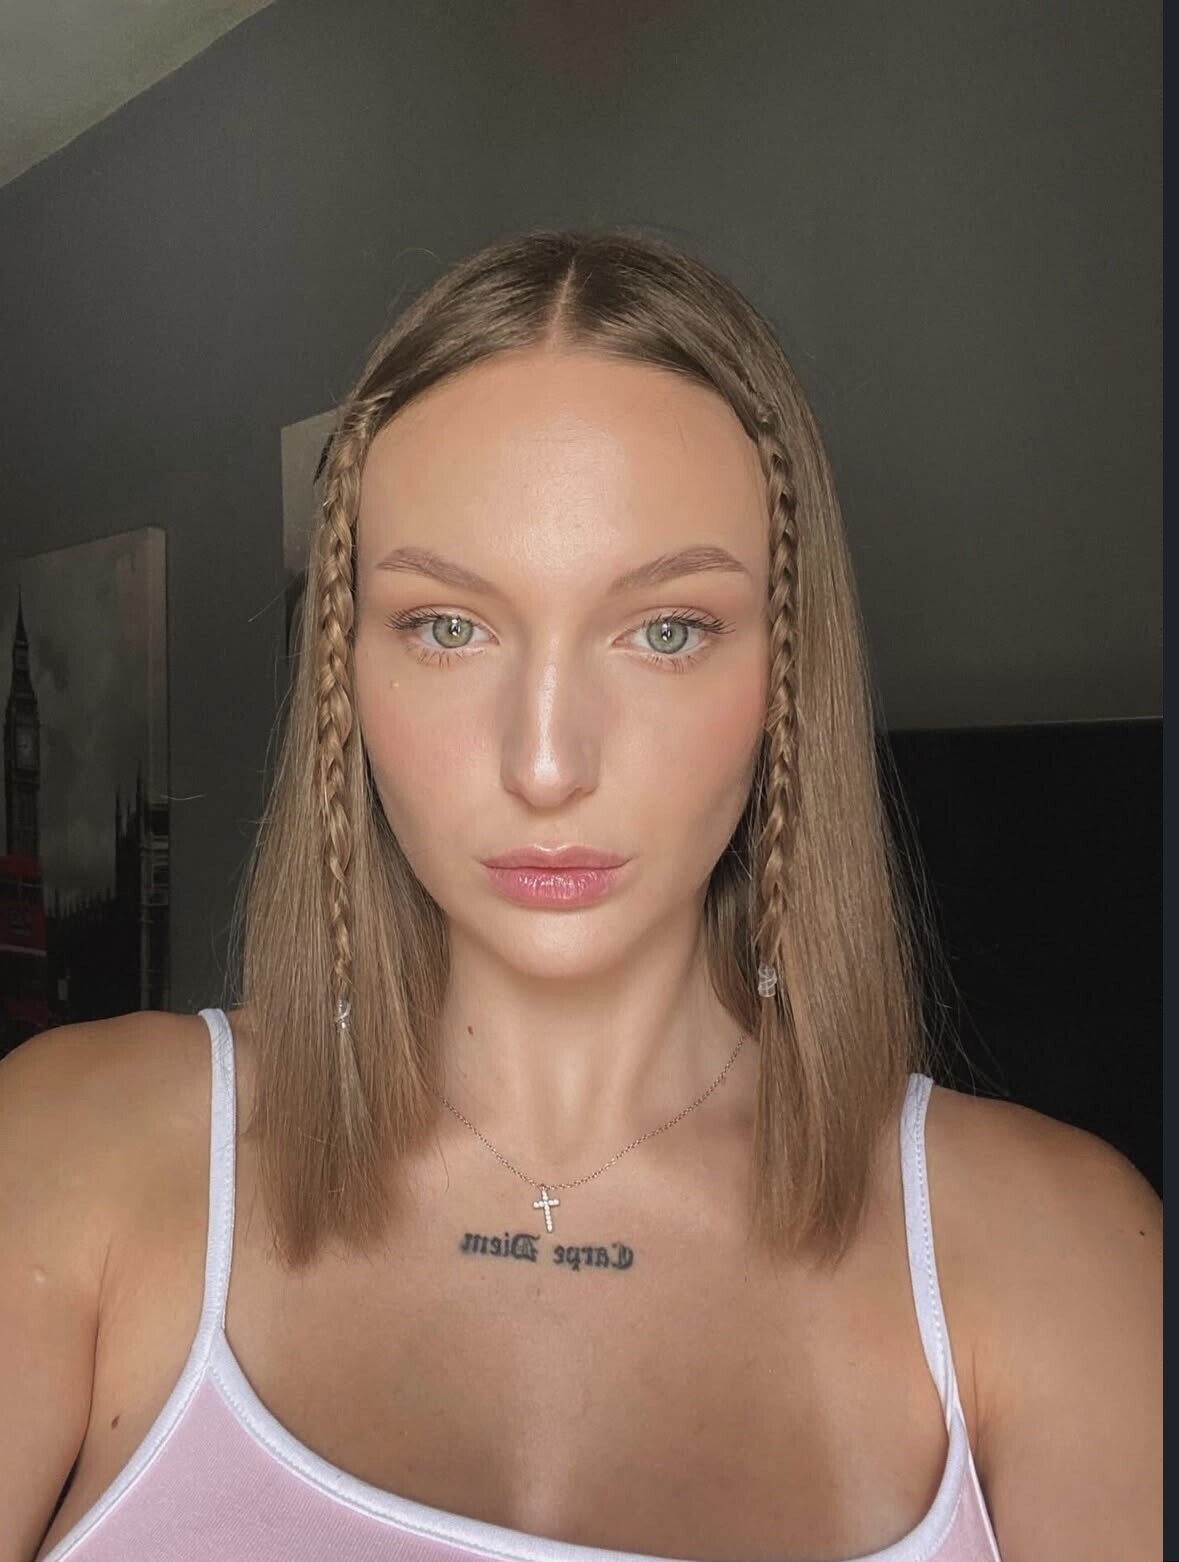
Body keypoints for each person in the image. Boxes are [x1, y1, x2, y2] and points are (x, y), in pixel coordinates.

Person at [1, 229, 1160, 1562]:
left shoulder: (1064, 1262)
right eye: (448, 625)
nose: (546, 763)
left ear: (785, 672)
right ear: (346, 670)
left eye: (666, 630)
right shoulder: (70, 1149)